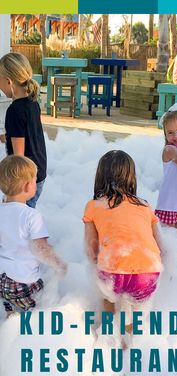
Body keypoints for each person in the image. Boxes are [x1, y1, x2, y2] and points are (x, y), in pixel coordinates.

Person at [83, 150, 162, 347]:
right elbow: (158, 244)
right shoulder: (145, 206)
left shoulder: (93, 206)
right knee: (137, 308)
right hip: (148, 272)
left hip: (113, 273)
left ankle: (108, 334)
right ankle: (130, 339)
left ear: (100, 177)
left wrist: (99, 262)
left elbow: (91, 250)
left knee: (108, 297)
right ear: (131, 177)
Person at [0, 155, 67, 317]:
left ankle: (9, 332)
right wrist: (59, 264)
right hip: (24, 282)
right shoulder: (31, 215)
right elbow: (41, 248)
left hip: (3, 281)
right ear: (28, 186)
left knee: (12, 310)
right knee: (34, 315)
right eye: (35, 180)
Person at [0, 52, 47, 208]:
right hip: (37, 174)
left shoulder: (14, 110)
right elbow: (27, 135)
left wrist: (12, 193)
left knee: (19, 219)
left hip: (24, 180)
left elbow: (18, 157)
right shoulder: (32, 103)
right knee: (26, 216)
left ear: (8, 82)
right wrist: (7, 136)